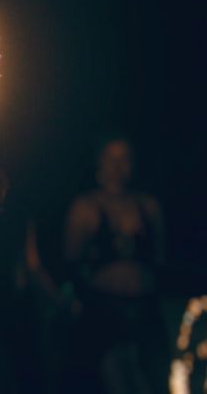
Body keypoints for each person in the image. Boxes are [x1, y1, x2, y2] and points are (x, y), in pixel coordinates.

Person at [64, 137, 167, 394]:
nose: (118, 166)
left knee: (153, 381)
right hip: (105, 312)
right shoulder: (86, 208)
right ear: (99, 162)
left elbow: (159, 257)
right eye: (112, 159)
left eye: (125, 159)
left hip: (145, 309)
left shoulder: (148, 206)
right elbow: (72, 263)